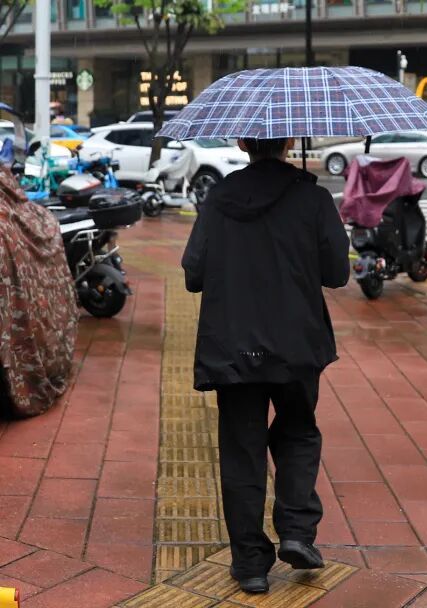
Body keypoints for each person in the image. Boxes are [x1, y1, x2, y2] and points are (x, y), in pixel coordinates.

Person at [181, 137, 350, 594]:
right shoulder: (313, 198)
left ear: (242, 142)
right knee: (297, 430)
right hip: (297, 344)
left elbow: (193, 273)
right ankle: (296, 531)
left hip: (232, 344)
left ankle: (250, 564)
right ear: (289, 142)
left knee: (242, 449)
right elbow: (337, 272)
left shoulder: (219, 198)